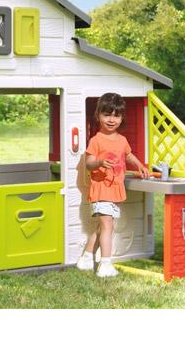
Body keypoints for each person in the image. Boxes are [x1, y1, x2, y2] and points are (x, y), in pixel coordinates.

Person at [76, 93, 148, 277]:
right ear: (98, 115)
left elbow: (128, 155)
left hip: (115, 190)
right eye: (107, 114)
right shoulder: (96, 140)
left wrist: (139, 165)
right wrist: (100, 162)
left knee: (103, 226)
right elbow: (88, 163)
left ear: (122, 118)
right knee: (107, 226)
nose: (111, 119)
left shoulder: (122, 140)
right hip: (102, 189)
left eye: (116, 115)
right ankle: (105, 264)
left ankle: (86, 258)